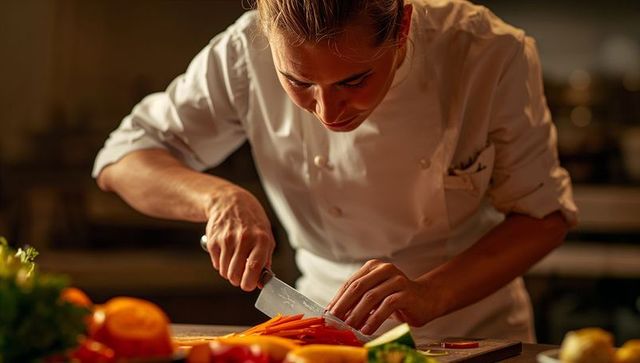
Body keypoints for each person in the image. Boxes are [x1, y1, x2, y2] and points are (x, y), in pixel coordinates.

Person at [93, 0, 578, 342]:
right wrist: (218, 199)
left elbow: (545, 216)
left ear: (403, 25)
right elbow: (123, 158)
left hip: (471, 332)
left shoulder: (485, 52)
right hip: (320, 330)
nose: (327, 111)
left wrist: (432, 293)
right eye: (298, 81)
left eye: (355, 79)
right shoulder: (241, 53)